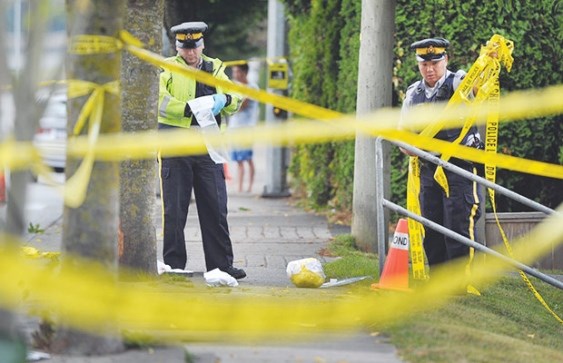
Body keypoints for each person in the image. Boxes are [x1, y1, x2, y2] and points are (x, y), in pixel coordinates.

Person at [157, 21, 246, 279]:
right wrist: (188, 109)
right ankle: (174, 267)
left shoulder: (215, 68)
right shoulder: (167, 68)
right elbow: (160, 100)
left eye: (194, 48)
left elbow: (235, 97)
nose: (190, 54)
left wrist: (225, 100)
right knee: (174, 210)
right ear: (177, 47)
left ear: (202, 45)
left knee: (215, 207)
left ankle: (221, 266)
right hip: (175, 146)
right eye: (185, 49)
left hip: (208, 148)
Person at [400, 37, 483, 272]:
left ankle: (458, 285)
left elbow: (478, 88)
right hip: (428, 170)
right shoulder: (413, 94)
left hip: (459, 169)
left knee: (457, 225)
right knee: (432, 226)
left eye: (435, 63)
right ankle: (437, 282)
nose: (429, 69)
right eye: (424, 64)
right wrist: (407, 145)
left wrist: (488, 64)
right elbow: (402, 135)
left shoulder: (459, 82)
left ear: (445, 59)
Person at [227, 63, 259, 193]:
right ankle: (239, 188)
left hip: (246, 128)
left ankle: (248, 188)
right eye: (234, 72)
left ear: (245, 72)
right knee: (238, 160)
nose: (235, 75)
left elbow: (240, 107)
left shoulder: (252, 88)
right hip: (234, 127)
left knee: (247, 158)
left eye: (238, 72)